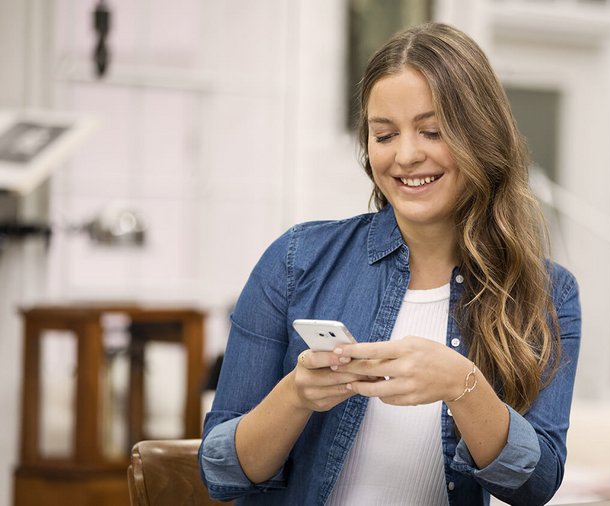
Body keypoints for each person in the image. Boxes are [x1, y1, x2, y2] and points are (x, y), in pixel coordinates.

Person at [198, 22, 582, 506]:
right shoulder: (295, 261)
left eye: (432, 131)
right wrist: (295, 394)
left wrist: (463, 386)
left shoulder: (545, 293)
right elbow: (221, 471)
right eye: (384, 135)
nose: (405, 156)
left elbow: (535, 486)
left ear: (481, 136)